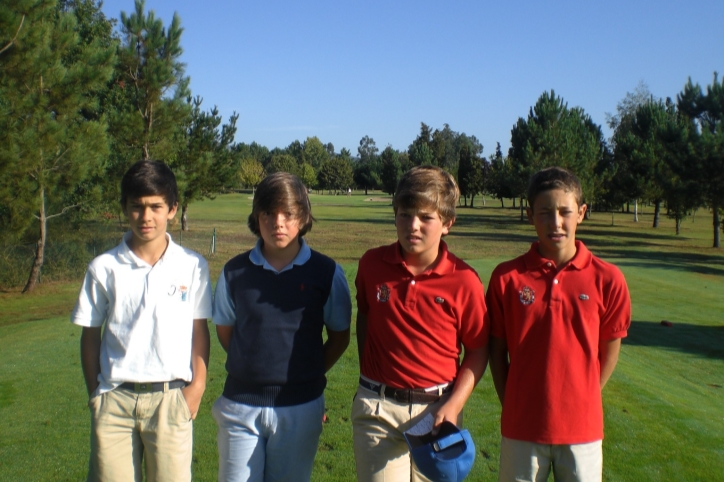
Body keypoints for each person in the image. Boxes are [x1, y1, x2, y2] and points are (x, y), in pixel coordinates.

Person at [487, 167, 631, 482]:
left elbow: (609, 352)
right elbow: (496, 352)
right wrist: (513, 401)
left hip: (583, 430)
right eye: (545, 212)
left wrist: (584, 395)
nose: (555, 223)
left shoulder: (608, 279)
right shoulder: (506, 278)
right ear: (529, 215)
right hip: (522, 426)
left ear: (581, 212)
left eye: (565, 212)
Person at [71, 160, 212, 482]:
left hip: (171, 399)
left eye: (155, 207)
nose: (146, 217)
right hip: (114, 400)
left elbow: (199, 331)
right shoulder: (103, 267)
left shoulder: (192, 265)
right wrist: (96, 392)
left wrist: (197, 387)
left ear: (172, 209)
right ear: (124, 208)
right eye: (136, 207)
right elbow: (90, 335)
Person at [212, 172, 352, 482]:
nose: (278, 222)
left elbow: (340, 337)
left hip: (300, 407)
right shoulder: (234, 271)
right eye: (268, 213)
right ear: (256, 216)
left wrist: (308, 374)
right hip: (239, 405)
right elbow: (226, 332)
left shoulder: (326, 272)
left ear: (302, 217)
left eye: (288, 214)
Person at [352, 165, 489, 481]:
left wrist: (454, 405)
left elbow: (479, 351)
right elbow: (367, 317)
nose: (412, 225)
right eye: (404, 214)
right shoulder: (372, 264)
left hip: (438, 413)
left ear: (447, 223)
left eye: (426, 217)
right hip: (378, 410)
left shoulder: (464, 281)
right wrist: (368, 380)